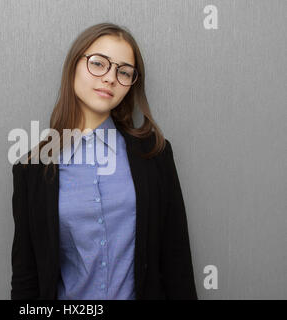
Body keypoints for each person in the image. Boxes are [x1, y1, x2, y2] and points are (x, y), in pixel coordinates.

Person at [11, 22, 197, 300]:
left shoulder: (154, 155)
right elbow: (26, 276)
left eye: (124, 72)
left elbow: (177, 262)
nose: (110, 78)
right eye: (98, 64)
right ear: (74, 65)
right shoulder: (32, 169)